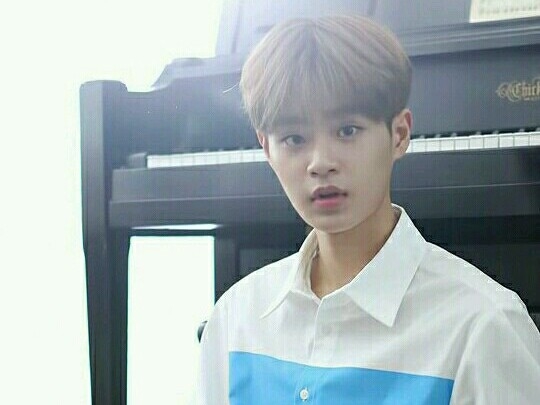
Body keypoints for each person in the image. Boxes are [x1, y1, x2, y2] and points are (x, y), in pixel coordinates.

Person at [197, 15, 540, 404]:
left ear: (399, 135)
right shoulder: (235, 318)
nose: (320, 163)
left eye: (347, 131)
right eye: (294, 138)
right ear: (266, 149)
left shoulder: (483, 326)